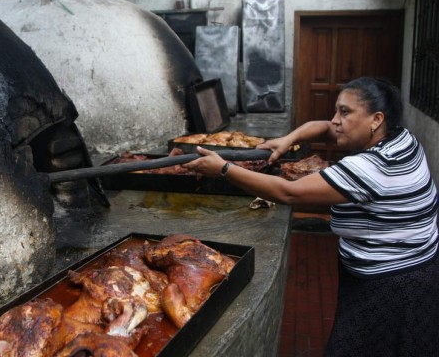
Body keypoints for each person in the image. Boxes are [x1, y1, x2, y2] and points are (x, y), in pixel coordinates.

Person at [181, 77, 439, 356]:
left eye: (345, 112)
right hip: (415, 264)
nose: (335, 120)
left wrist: (223, 169)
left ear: (376, 119)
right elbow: (325, 128)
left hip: (393, 282)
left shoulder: (373, 166)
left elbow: (290, 193)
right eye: (336, 110)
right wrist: (287, 140)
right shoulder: (402, 138)